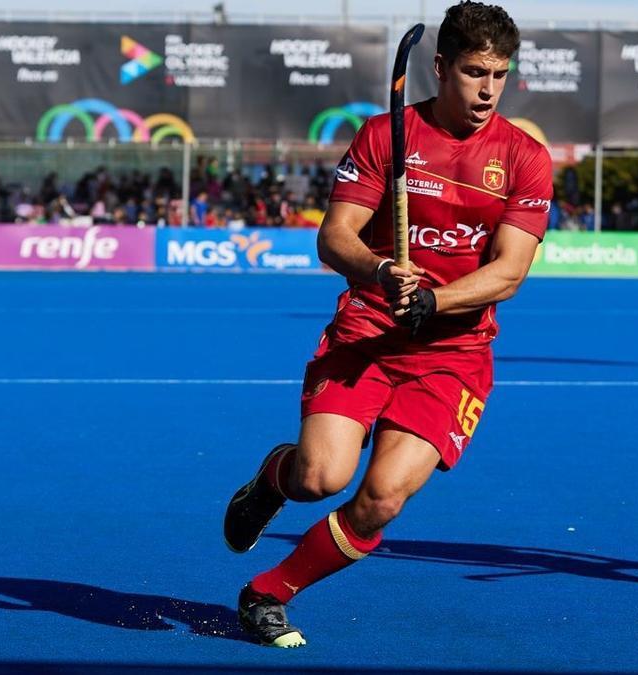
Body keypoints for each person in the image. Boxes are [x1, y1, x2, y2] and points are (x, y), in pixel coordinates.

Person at [222, 1, 551, 648]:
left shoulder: (524, 158)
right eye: (473, 72)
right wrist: (376, 271)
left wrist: (436, 300)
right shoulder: (385, 135)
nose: (487, 88)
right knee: (321, 477)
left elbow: (510, 271)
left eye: (499, 74)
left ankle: (270, 591)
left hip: (454, 352)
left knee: (381, 500)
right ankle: (272, 479)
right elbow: (334, 237)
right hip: (369, 330)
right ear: (439, 67)